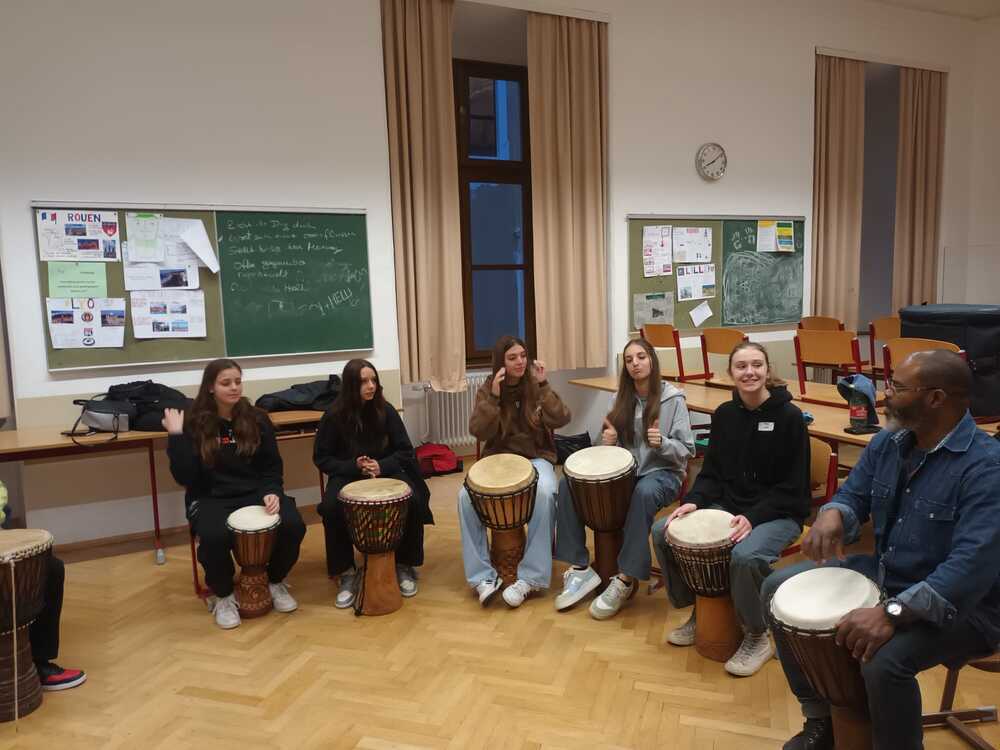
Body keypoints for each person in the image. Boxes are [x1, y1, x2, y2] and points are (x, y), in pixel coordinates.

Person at [764, 350, 1000, 750]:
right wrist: (834, 514)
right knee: (776, 588)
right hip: (890, 571)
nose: (884, 394)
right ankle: (820, 720)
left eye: (897, 387)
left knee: (885, 662)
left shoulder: (986, 468)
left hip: (968, 606)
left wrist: (892, 612)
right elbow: (854, 493)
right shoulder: (891, 440)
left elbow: (968, 571)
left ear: (936, 399)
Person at [652, 341, 811, 676]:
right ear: (730, 373)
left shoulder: (790, 417)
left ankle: (757, 633)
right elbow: (712, 473)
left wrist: (753, 518)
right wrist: (694, 500)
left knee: (746, 556)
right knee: (663, 531)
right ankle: (699, 608)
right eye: (741, 366)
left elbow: (793, 488)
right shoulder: (725, 414)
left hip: (780, 512)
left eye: (756, 365)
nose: (749, 372)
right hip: (730, 504)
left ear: (767, 370)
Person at [554, 337, 694, 619]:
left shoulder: (673, 399)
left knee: (643, 493)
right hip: (628, 473)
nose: (635, 364)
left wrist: (663, 443)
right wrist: (606, 442)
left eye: (641, 357)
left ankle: (625, 578)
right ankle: (580, 568)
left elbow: (687, 451)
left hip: (663, 473)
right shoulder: (618, 398)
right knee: (568, 483)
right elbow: (605, 447)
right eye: (629, 360)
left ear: (652, 360)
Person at [164, 358, 306, 630]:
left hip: (254, 492)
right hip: (210, 496)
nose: (234, 388)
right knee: (214, 536)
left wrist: (272, 491)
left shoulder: (257, 419)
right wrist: (176, 435)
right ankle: (224, 595)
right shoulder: (194, 423)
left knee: (293, 525)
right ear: (210, 387)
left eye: (238, 382)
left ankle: (274, 581)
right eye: (226, 383)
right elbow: (185, 477)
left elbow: (271, 466)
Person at [459, 335, 571, 608]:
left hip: (536, 458)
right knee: (464, 497)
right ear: (501, 362)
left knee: (546, 491)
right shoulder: (489, 388)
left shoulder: (535, 385)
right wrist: (494, 399)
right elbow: (479, 431)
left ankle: (532, 577)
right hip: (497, 461)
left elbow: (562, 418)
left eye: (523, 355)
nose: (520, 361)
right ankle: (482, 577)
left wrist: (544, 385)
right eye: (512, 358)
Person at [313, 358, 434, 608]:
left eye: (374, 380)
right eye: (363, 382)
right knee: (331, 507)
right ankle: (345, 572)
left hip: (386, 471)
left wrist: (382, 465)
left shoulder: (385, 410)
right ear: (350, 385)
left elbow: (405, 451)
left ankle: (404, 564)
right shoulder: (334, 416)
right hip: (348, 474)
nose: (371, 386)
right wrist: (353, 466)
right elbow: (322, 458)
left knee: (412, 499)